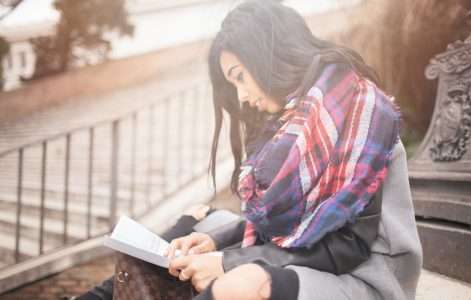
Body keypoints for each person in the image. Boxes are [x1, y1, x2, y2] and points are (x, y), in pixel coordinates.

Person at [78, 1, 422, 299]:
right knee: (190, 231)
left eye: (239, 76)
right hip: (316, 264)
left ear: (267, 56)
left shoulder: (358, 109)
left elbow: (347, 246)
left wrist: (228, 261)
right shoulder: (292, 123)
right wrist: (216, 244)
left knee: (243, 284)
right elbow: (295, 229)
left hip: (364, 279)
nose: (241, 96)